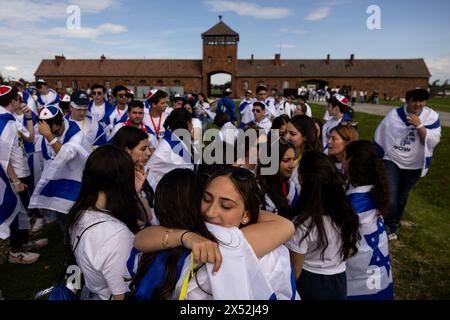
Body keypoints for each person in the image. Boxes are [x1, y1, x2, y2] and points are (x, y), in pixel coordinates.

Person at [131, 167, 297, 300]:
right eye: (206, 199)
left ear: (246, 214)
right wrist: (187, 236)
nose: (210, 212)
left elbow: (140, 239)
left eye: (226, 206)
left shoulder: (231, 239)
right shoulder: (213, 236)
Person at [67, 145, 147, 300]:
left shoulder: (80, 210)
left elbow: (144, 219)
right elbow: (121, 294)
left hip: (91, 290)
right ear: (123, 180)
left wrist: (135, 193)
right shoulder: (116, 235)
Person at [286, 151, 360, 300]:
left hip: (310, 284)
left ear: (302, 180)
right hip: (339, 282)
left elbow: (296, 271)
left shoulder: (303, 223)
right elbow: (350, 249)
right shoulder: (346, 213)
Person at [374, 88, 441, 240]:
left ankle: (395, 222)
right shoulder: (394, 116)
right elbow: (381, 135)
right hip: (393, 160)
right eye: (414, 101)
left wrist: (419, 125)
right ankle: (389, 225)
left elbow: (432, 141)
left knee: (402, 196)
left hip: (414, 165)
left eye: (422, 101)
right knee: (390, 195)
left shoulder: (431, 117)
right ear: (408, 101)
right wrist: (377, 156)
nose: (418, 104)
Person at [0, 85, 47, 264]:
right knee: (17, 211)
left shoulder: (11, 119)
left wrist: (28, 117)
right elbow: (2, 157)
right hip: (15, 175)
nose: (21, 101)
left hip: (21, 170)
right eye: (19, 99)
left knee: (23, 210)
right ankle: (16, 251)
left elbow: (30, 138)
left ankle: (23, 242)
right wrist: (15, 180)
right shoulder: (4, 122)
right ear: (13, 101)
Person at [343, 140, 394, 300]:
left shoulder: (351, 202)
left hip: (361, 274)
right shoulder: (376, 188)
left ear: (350, 161)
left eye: (344, 156)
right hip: (379, 270)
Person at [29, 106, 91, 232]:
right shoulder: (45, 130)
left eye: (54, 130)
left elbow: (66, 156)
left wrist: (49, 136)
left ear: (61, 121)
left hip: (77, 177)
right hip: (59, 177)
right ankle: (66, 239)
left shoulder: (75, 133)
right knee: (61, 210)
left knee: (77, 213)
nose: (53, 133)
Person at [111, 126, 154, 227]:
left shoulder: (139, 172)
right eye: (143, 149)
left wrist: (137, 193)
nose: (148, 153)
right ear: (127, 150)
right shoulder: (113, 177)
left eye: (148, 148)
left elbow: (148, 217)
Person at [146, 108, 194, 190]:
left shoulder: (175, 138)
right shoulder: (171, 145)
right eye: (191, 122)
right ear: (188, 123)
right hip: (160, 191)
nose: (192, 126)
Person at [257, 137, 298, 217]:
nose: (292, 165)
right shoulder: (257, 188)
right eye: (286, 160)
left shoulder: (291, 187)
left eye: (293, 159)